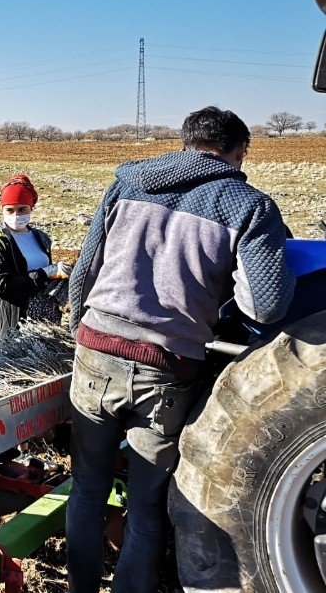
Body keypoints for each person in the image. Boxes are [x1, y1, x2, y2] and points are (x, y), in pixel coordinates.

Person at [65, 106, 295, 593]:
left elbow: (85, 270)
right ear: (240, 152)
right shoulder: (248, 205)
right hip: (163, 370)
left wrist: (78, 333)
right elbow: (268, 306)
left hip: (94, 353)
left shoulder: (127, 183)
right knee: (146, 506)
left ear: (186, 141)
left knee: (87, 488)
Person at [0, 174, 70, 342]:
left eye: (22, 209)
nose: (16, 215)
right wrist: (45, 273)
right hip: (11, 319)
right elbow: (3, 286)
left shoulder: (41, 238)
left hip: (43, 315)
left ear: (31, 208)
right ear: (2, 209)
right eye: (10, 210)